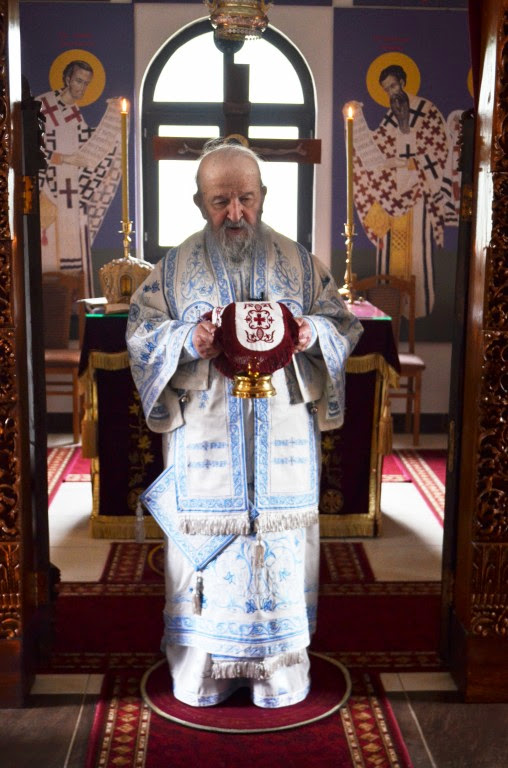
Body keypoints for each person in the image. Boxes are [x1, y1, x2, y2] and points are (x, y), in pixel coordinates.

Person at [126, 141, 363, 708]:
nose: (235, 213)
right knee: (208, 551)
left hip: (281, 437)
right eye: (220, 201)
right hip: (206, 441)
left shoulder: (299, 263)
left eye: (246, 198)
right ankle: (202, 673)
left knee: (278, 548)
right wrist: (187, 338)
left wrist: (311, 333)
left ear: (263, 196)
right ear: (198, 202)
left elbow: (343, 324)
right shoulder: (174, 269)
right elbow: (140, 332)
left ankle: (278, 675)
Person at [346, 64, 452, 317]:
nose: (392, 93)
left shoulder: (427, 111)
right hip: (394, 195)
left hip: (419, 192)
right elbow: (378, 148)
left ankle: (419, 307)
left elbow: (440, 148)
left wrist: (413, 164)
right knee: (390, 248)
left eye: (393, 86)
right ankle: (387, 310)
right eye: (386, 90)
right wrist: (357, 126)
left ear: (403, 82)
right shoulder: (391, 115)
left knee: (417, 248)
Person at [37, 59, 122, 296]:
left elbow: (87, 146)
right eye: (78, 81)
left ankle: (74, 305)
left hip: (71, 190)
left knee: (72, 243)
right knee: (49, 246)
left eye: (86, 83)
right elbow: (29, 146)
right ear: (66, 79)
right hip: (47, 188)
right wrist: (61, 158)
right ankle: (49, 303)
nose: (82, 87)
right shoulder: (41, 105)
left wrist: (112, 122)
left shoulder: (75, 114)